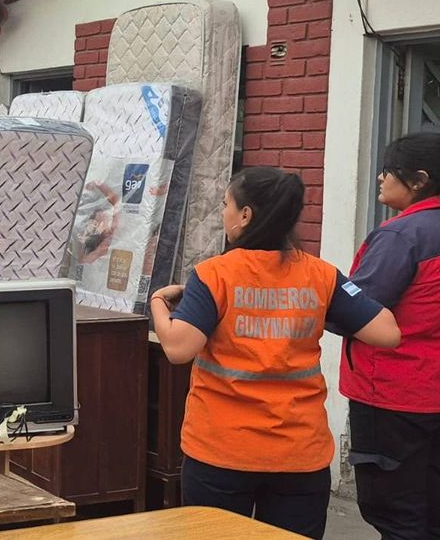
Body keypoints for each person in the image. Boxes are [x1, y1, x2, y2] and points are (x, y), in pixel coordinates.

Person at [149, 166, 400, 539]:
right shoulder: (322, 275)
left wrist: (158, 300)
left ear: (246, 215)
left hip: (222, 452)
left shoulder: (214, 275)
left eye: (225, 205)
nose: (223, 213)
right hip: (298, 454)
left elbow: (178, 348)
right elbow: (387, 332)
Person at [340, 132, 440, 540]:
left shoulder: (402, 236)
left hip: (394, 394)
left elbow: (355, 309)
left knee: (398, 513)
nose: (381, 178)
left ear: (418, 179)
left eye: (388, 170)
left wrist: (323, 290)